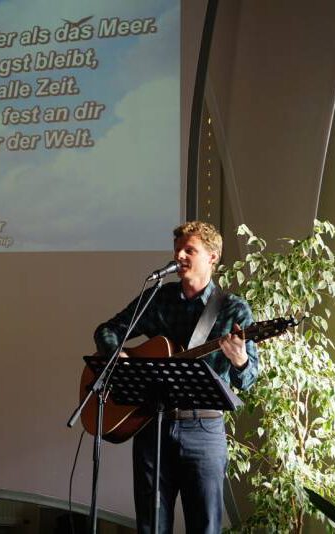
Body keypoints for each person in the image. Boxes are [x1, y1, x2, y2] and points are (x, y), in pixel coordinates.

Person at [93, 221, 258, 534]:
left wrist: (240, 359)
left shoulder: (234, 310)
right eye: (178, 249)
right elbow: (107, 330)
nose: (179, 255)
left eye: (189, 250)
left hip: (204, 430)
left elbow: (248, 380)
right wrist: (121, 358)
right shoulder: (160, 298)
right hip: (152, 426)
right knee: (151, 527)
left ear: (212, 256)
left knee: (205, 526)